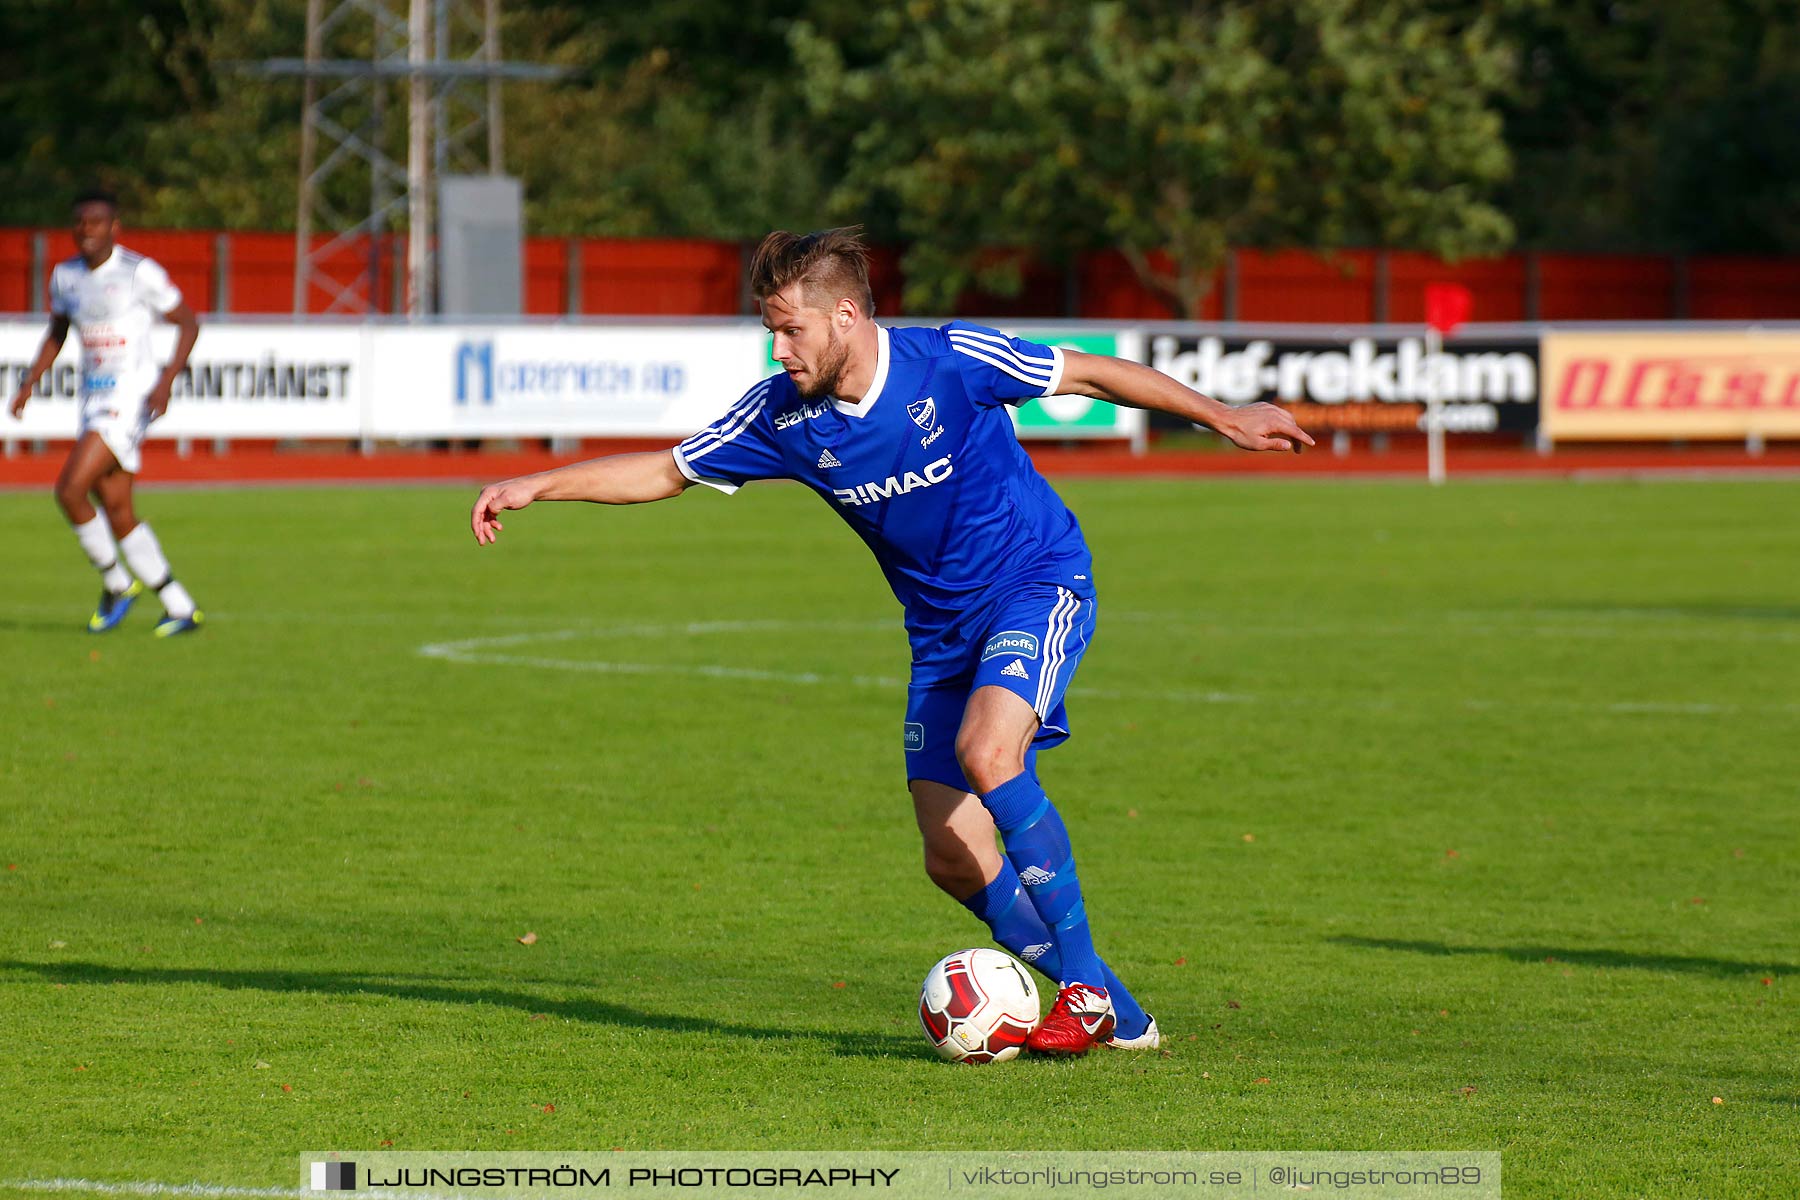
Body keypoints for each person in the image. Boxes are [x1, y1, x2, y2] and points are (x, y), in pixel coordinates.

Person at [470, 228, 1313, 1056]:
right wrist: (538, 483)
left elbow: (1087, 370)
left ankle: (1084, 990)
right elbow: (668, 470)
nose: (778, 351)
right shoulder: (785, 418)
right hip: (941, 635)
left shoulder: (950, 360)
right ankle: (1123, 1016)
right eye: (769, 332)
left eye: (789, 330)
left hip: (1036, 581)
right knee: (950, 855)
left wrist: (1220, 415)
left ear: (844, 314)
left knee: (989, 753)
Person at [7, 189, 204, 637]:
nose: (86, 230)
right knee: (116, 509)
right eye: (79, 222)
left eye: (96, 222)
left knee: (70, 491)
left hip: (128, 399)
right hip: (92, 399)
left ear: (115, 227)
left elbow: (189, 322)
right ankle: (179, 606)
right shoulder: (65, 276)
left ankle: (117, 583)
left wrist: (167, 380)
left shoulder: (139, 273)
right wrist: (29, 383)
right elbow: (57, 331)